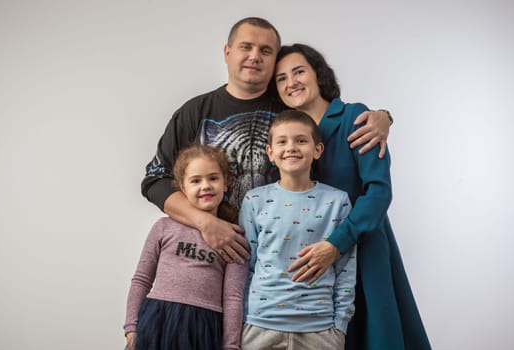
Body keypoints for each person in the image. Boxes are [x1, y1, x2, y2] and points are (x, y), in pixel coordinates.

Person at [141, 17, 393, 263]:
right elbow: (155, 180)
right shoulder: (196, 111)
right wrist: (205, 221)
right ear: (227, 52)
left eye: (266, 50)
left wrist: (383, 117)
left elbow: (332, 125)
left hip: (286, 259)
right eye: (245, 47)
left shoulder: (293, 110)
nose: (255, 56)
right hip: (209, 259)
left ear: (274, 61)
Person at [273, 43, 431, 350]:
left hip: (363, 247)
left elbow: (379, 192)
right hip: (311, 258)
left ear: (318, 74)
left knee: (374, 335)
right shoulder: (286, 135)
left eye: (298, 71)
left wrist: (337, 244)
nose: (290, 82)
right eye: (280, 78)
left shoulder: (355, 117)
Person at [239, 110, 357, 350]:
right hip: (259, 326)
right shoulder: (254, 200)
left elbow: (346, 268)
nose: (291, 147)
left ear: (317, 150)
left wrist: (339, 327)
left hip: (320, 329)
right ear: (270, 153)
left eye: (301, 140)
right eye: (282, 141)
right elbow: (245, 265)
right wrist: (241, 320)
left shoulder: (338, 201)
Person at [124, 144, 247, 350]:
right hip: (157, 320)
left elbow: (233, 297)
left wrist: (231, 345)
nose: (205, 186)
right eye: (196, 181)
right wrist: (131, 328)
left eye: (213, 178)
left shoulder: (233, 238)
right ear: (183, 188)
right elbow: (142, 279)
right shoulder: (163, 227)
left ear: (226, 183)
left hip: (204, 327)